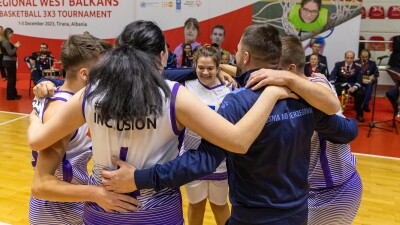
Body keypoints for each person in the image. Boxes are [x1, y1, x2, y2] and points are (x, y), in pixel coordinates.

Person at [27, 20, 295, 225]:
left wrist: (34, 114)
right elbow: (238, 141)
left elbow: (38, 140)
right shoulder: (174, 95)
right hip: (158, 211)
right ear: (163, 55)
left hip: (103, 208)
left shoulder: (91, 92)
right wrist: (271, 93)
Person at [101, 24, 357, 225]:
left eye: (236, 50)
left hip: (254, 214)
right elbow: (347, 131)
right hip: (298, 212)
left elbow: (203, 160)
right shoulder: (305, 97)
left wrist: (140, 178)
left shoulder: (237, 101)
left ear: (245, 56)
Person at [28, 34, 139, 224]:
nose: (108, 75)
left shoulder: (81, 104)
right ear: (85, 74)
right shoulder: (60, 110)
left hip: (72, 202)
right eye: (103, 70)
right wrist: (96, 193)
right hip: (53, 212)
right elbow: (40, 185)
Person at [276, 35, 362, 225]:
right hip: (320, 188)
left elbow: (329, 104)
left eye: (275, 69)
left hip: (333, 190)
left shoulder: (318, 86)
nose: (271, 74)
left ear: (290, 70)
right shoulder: (310, 84)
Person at [180, 46, 233, 225]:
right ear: (194, 66)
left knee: (219, 205)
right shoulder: (185, 87)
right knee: (196, 205)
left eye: (210, 68)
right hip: (192, 156)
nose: (205, 72)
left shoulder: (229, 90)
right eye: (201, 67)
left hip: (220, 160)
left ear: (219, 68)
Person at [329, 51, 365, 122]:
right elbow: (332, 76)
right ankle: (331, 112)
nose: (349, 60)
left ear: (354, 58)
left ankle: (359, 114)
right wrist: (332, 86)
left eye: (351, 58)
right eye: (347, 58)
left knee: (361, 93)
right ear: (345, 58)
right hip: (340, 85)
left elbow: (359, 80)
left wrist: (354, 87)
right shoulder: (338, 65)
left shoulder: (357, 67)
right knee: (330, 92)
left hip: (352, 86)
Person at [0, 27, 22, 100]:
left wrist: (14, 46)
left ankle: (14, 94)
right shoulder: (5, 42)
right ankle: (11, 96)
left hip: (9, 62)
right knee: (11, 79)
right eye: (11, 34)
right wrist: (16, 47)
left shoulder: (5, 41)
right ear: (7, 33)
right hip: (9, 62)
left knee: (12, 79)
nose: (12, 36)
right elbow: (11, 53)